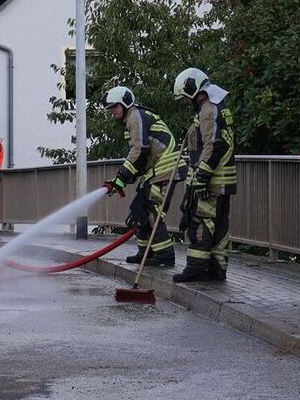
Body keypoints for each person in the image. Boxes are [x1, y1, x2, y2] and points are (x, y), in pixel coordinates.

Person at [101, 86, 186, 267]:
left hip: (166, 168)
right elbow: (141, 157)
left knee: (151, 210)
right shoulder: (133, 119)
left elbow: (140, 150)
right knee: (138, 210)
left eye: (114, 107)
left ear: (124, 104)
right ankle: (145, 252)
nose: (112, 112)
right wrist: (123, 179)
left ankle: (164, 254)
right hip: (157, 170)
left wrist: (122, 175)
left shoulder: (135, 116)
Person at [171, 68, 237, 282]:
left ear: (193, 90)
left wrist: (201, 177)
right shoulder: (216, 106)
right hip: (223, 180)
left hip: (212, 181)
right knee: (219, 227)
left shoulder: (208, 109)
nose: (184, 102)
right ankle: (217, 270)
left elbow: (212, 145)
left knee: (200, 223)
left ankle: (196, 269)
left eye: (184, 98)